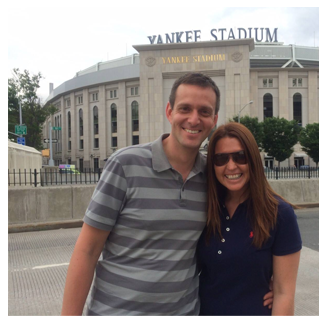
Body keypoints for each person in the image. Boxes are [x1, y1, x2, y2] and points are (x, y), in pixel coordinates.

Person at [61, 73, 272, 315]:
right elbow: (87, 251)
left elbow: (241, 231)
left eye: (204, 112)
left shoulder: (213, 176)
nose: (194, 119)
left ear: (213, 120)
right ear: (169, 111)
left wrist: (270, 280)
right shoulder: (125, 165)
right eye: (185, 109)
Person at [197, 122, 302, 316]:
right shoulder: (206, 208)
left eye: (240, 156)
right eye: (220, 159)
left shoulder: (279, 214)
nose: (231, 166)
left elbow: (283, 294)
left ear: (253, 159)